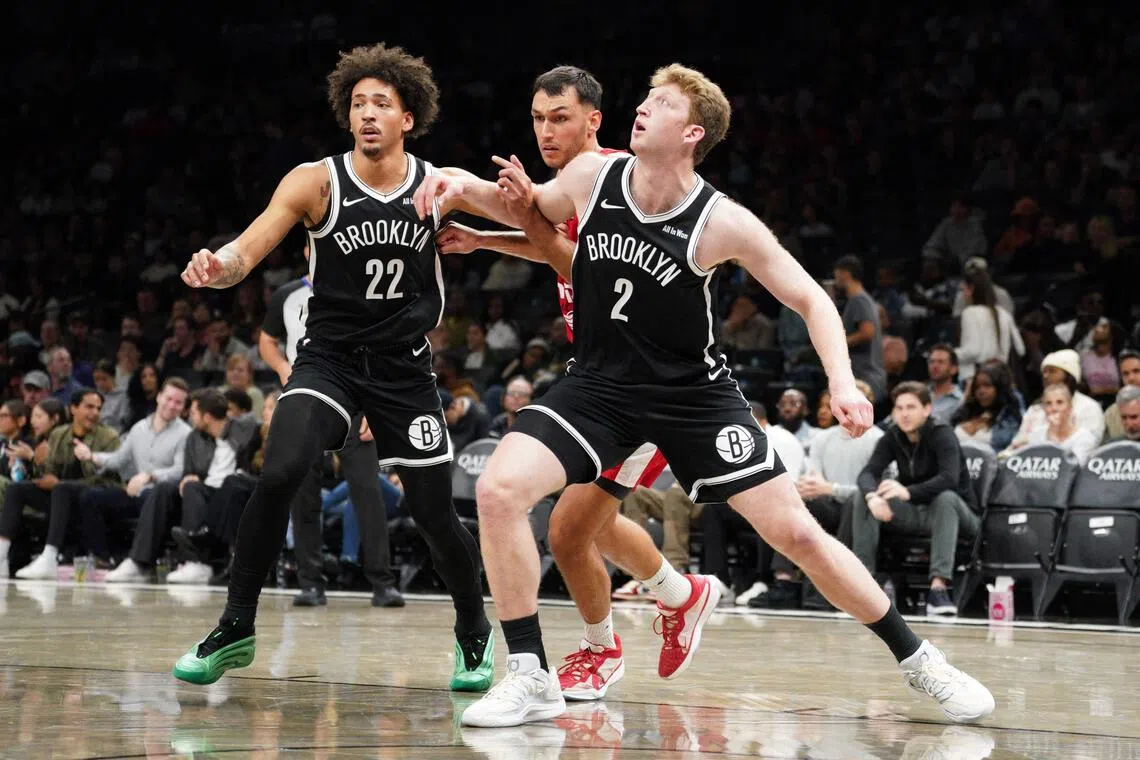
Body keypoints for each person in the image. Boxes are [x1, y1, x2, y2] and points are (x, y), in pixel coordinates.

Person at [417, 63, 993, 727]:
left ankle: (923, 662)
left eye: (659, 104)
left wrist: (840, 379)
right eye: (645, 99)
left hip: (691, 395)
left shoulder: (722, 221)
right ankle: (529, 673)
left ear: (691, 132)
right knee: (499, 491)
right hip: (599, 382)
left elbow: (810, 297)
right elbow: (523, 208)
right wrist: (457, 186)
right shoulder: (590, 178)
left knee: (794, 534)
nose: (642, 108)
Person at [174, 43, 490, 690]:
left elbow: (531, 226)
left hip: (405, 369)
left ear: (409, 117)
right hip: (330, 362)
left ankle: (473, 632)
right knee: (283, 466)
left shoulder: (439, 185)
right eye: (357, 103)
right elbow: (249, 248)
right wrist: (218, 268)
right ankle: (235, 625)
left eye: (382, 103)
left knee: (434, 513)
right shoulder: (315, 180)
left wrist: (514, 230)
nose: (368, 114)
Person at [433, 65, 708, 703]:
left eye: (561, 118)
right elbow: (553, 239)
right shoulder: (571, 187)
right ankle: (680, 595)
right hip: (601, 378)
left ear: (593, 122)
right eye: (537, 118)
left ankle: (602, 648)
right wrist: (489, 238)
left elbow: (572, 259)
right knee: (589, 523)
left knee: (568, 529)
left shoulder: (619, 178)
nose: (547, 130)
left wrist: (479, 199)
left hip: (649, 385)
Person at [259, 250, 403, 608]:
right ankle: (310, 582)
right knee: (302, 491)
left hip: (356, 399)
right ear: (306, 249)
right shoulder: (287, 295)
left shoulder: (361, 288)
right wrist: (281, 370)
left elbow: (382, 345)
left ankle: (382, 582)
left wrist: (375, 401)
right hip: (306, 397)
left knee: (366, 490)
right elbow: (266, 339)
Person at [852, 382, 981, 617]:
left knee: (946, 498)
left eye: (911, 407)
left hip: (961, 517)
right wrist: (872, 497)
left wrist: (908, 492)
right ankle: (865, 586)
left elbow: (949, 478)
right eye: (899, 407)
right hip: (917, 513)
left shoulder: (942, 434)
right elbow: (867, 473)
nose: (904, 413)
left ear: (927, 409)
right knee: (864, 499)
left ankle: (938, 589)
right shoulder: (893, 436)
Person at [7, 389, 121, 580]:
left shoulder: (109, 436)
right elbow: (51, 471)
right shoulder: (59, 434)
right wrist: (40, 466)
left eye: (98, 408)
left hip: (97, 493)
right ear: (74, 408)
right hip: (62, 495)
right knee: (17, 489)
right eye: (89, 407)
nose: (95, 413)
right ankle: (2, 553)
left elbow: (108, 478)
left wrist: (59, 482)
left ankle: (49, 556)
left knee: (62, 488)